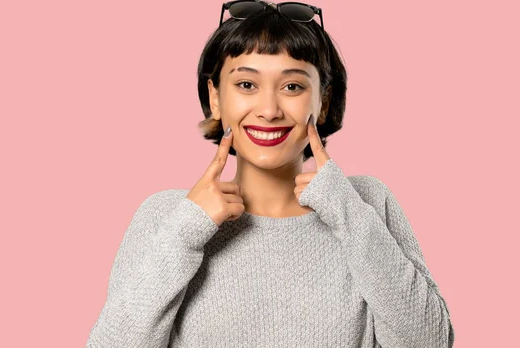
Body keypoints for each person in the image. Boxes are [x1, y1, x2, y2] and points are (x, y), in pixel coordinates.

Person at [86, 1, 455, 347]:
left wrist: (348, 211)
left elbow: (431, 341)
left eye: (292, 86)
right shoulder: (166, 216)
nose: (268, 109)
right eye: (246, 84)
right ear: (215, 97)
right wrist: (185, 233)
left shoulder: (367, 202)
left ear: (323, 101)